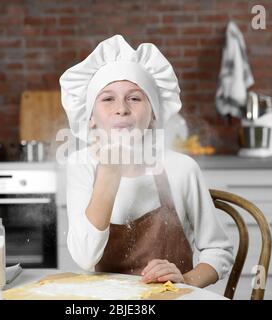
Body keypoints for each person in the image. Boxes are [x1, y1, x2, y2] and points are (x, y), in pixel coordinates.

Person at [59, 35, 233, 288]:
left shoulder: (181, 169)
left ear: (153, 115)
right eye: (108, 99)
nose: (121, 109)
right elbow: (85, 258)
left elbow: (219, 251)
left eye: (135, 98)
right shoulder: (81, 165)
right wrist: (109, 171)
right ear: (90, 118)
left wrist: (184, 280)